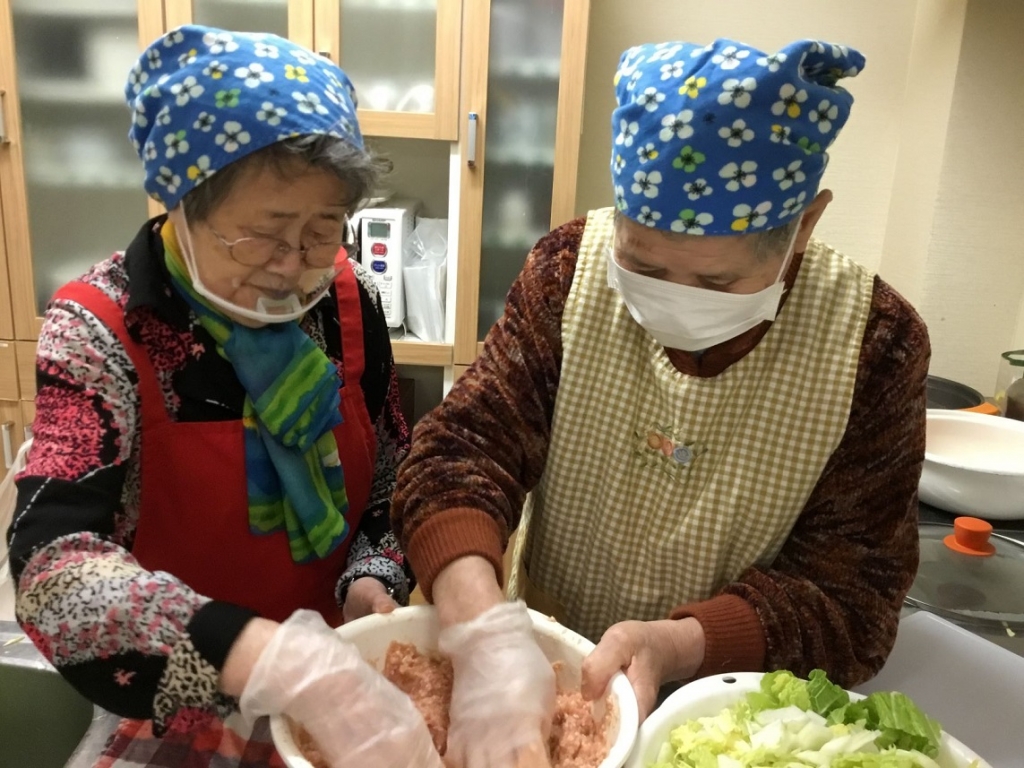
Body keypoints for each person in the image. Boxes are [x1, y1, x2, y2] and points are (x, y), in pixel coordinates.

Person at [392, 37, 929, 766]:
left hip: (723, 717)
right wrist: (481, 632)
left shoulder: (874, 344)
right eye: (641, 265)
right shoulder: (565, 273)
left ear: (804, 226)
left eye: (716, 284)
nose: (673, 303)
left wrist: (679, 644)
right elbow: (460, 453)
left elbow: (851, 597)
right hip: (537, 667)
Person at [5, 25, 442, 768]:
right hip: (184, 692)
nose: (292, 266)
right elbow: (53, 569)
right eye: (263, 235)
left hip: (339, 674)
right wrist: (266, 658)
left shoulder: (347, 300)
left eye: (320, 231)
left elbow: (394, 479)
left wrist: (373, 579)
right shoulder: (101, 328)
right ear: (181, 203)